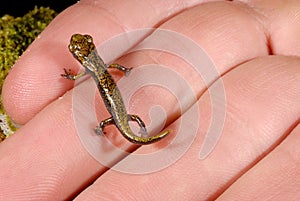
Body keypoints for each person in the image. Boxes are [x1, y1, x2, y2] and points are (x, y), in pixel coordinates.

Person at [1, 0, 299, 200]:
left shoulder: (89, 69)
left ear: (84, 54)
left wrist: (72, 78)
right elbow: (110, 69)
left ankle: (132, 132)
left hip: (118, 115)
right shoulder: (98, 64)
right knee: (126, 120)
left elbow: (80, 78)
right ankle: (139, 132)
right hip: (122, 115)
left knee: (118, 120)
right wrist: (125, 70)